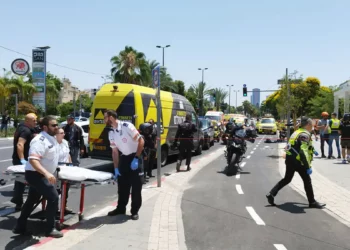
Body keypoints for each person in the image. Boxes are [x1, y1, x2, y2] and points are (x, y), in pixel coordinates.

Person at [13, 116, 63, 238]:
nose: (56, 127)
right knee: (53, 197)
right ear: (45, 127)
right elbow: (34, 160)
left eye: (57, 125)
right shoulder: (40, 140)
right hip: (36, 174)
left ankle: (20, 226)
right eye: (53, 125)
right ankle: (50, 228)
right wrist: (47, 173)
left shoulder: (52, 139)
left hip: (41, 174)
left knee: (31, 200)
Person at [266, 116, 326, 209]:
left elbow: (295, 145)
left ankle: (271, 194)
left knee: (287, 179)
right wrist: (307, 166)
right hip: (299, 161)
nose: (313, 126)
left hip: (290, 159)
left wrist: (313, 150)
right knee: (307, 181)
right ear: (308, 125)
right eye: (312, 124)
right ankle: (312, 202)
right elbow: (303, 151)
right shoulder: (304, 134)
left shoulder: (296, 132)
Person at [104, 110, 145, 220]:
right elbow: (115, 152)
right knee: (122, 186)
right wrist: (116, 168)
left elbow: (141, 141)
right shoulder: (111, 133)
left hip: (136, 156)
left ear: (111, 118)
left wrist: (136, 158)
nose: (104, 120)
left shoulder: (127, 126)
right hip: (125, 158)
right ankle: (121, 208)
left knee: (136, 186)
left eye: (105, 117)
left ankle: (135, 211)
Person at [11, 113, 37, 211]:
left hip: (21, 159)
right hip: (23, 160)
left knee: (20, 181)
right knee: (23, 181)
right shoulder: (25, 130)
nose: (35, 122)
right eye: (33, 120)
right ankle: (20, 202)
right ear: (27, 121)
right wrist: (22, 160)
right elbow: (20, 145)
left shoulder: (21, 128)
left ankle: (18, 201)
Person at [56, 128, 73, 212]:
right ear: (56, 135)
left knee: (66, 188)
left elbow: (68, 154)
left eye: (64, 133)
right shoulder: (53, 144)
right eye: (61, 133)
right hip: (56, 169)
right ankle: (54, 207)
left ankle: (64, 206)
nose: (64, 134)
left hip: (66, 168)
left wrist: (70, 164)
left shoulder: (65, 142)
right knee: (56, 190)